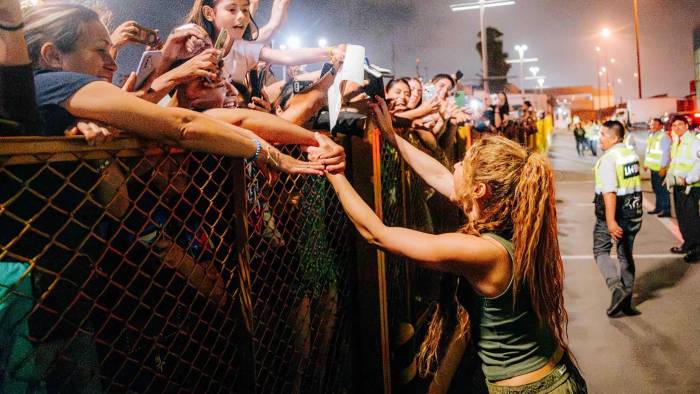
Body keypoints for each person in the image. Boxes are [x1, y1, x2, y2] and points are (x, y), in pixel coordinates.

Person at [318, 97, 586, 392]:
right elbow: (439, 175)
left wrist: (335, 171)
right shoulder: (514, 220)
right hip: (550, 374)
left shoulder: (485, 252)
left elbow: (377, 234)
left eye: (464, 163)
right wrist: (391, 136)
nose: (456, 163)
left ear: (479, 190)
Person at [185, 0, 346, 86]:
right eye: (232, 10)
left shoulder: (242, 47)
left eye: (245, 10)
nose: (241, 16)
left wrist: (331, 51)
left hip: (234, 118)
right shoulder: (193, 39)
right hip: (200, 124)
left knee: (316, 88)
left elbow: (286, 56)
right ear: (209, 13)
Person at [592, 120, 643, 317]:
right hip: (633, 213)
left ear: (614, 138)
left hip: (613, 216)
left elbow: (609, 192)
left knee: (600, 251)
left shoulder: (609, 159)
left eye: (603, 135)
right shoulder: (630, 155)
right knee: (625, 256)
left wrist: (611, 221)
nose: (600, 138)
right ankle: (626, 302)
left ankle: (616, 289)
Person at [666, 115, 700, 262]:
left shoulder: (694, 142)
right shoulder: (677, 142)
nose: (677, 127)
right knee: (682, 217)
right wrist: (668, 176)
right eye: (674, 125)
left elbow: (699, 165)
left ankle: (697, 249)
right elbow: (675, 163)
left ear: (687, 126)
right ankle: (688, 244)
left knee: (691, 218)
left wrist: (687, 180)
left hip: (690, 187)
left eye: (680, 124)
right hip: (678, 185)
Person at [643, 118, 671, 217]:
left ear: (660, 126)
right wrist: (646, 163)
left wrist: (663, 167)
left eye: (655, 124)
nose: (652, 126)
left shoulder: (663, 137)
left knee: (662, 190)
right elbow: (649, 151)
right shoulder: (651, 136)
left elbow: (665, 153)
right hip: (653, 168)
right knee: (656, 189)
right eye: (651, 124)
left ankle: (666, 210)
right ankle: (658, 208)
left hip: (660, 168)